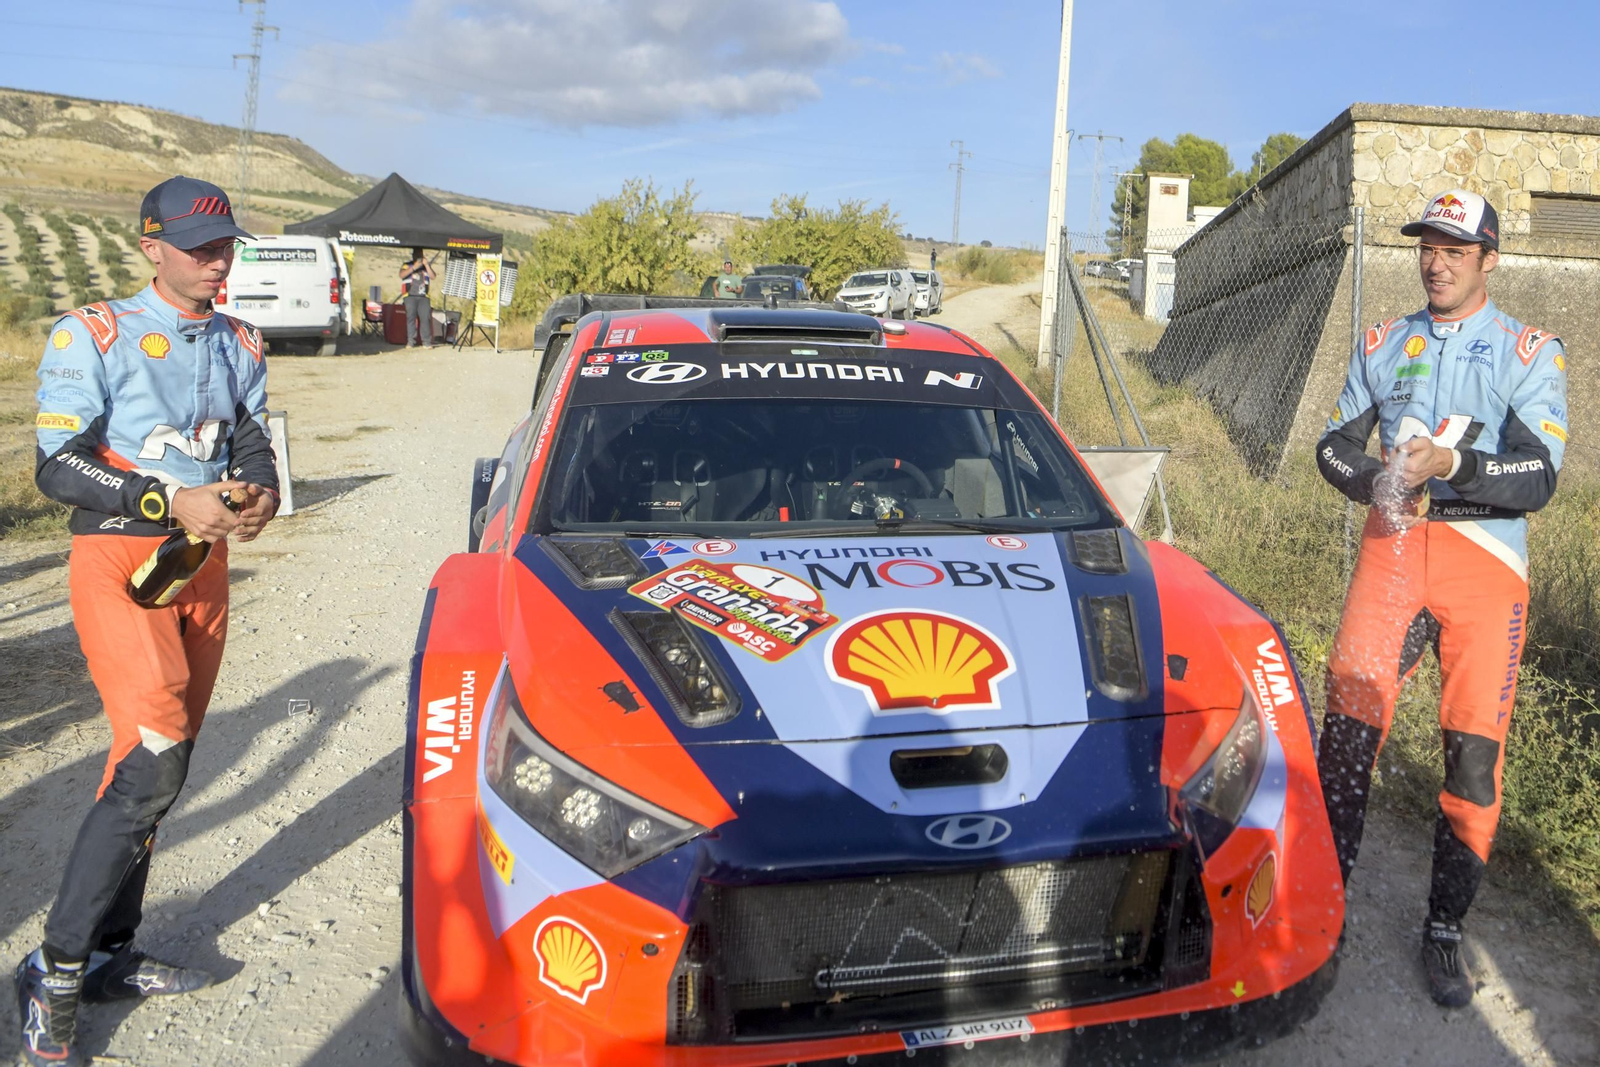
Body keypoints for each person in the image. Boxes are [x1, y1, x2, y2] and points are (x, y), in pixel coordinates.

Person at [20, 175, 280, 1066]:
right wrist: (167, 496)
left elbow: (250, 432)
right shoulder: (94, 331)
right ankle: (52, 968)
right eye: (199, 245)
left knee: (158, 762)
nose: (217, 259)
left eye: (226, 243)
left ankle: (109, 952)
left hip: (202, 562)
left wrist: (260, 493)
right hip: (119, 557)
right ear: (151, 246)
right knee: (156, 753)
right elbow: (57, 462)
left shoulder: (242, 339)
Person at [1315, 189, 1567, 1009]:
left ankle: (1445, 928)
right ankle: (1324, 907)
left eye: (1455, 250)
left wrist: (1454, 467)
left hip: (1485, 563)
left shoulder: (1531, 350)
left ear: (1489, 260)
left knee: (1472, 758)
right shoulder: (1384, 341)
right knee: (1346, 733)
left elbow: (1540, 476)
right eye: (1428, 246)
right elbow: (1332, 445)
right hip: (1391, 551)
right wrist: (1376, 479)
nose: (1436, 262)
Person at [400, 248, 435, 347]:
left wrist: (427, 265)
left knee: (425, 318)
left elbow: (433, 276)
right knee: (411, 318)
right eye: (416, 255)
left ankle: (426, 342)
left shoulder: (426, 267)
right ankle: (411, 341)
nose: (418, 257)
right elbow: (401, 275)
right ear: (413, 256)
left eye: (420, 255)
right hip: (410, 296)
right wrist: (413, 267)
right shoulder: (407, 265)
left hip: (423, 297)